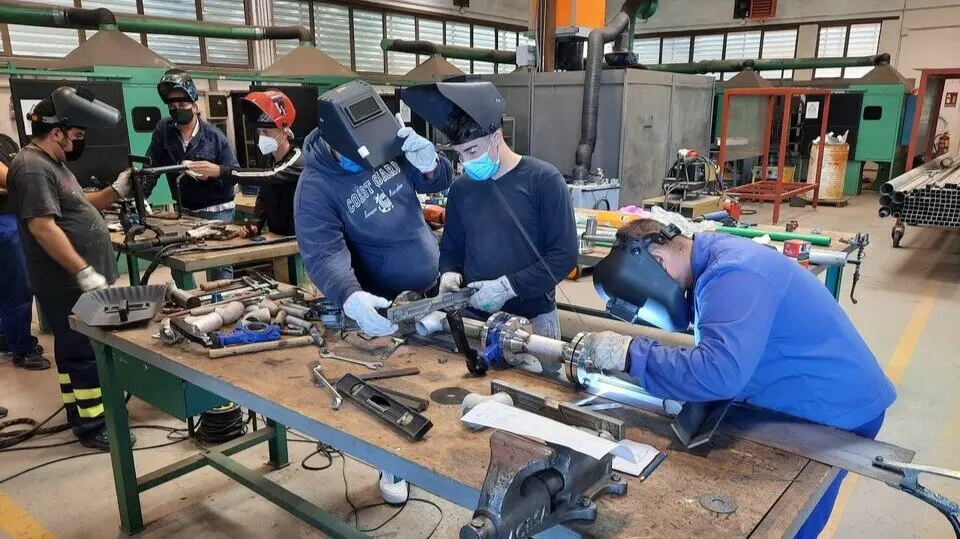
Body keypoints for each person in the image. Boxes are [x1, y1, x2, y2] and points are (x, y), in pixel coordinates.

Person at [579, 218, 896, 538]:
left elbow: (719, 372)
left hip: (834, 409)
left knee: (788, 517)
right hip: (804, 393)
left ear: (658, 261)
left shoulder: (733, 275)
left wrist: (633, 354)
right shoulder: (712, 259)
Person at [294, 82, 453, 502]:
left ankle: (438, 453)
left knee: (445, 381)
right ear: (333, 144)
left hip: (433, 283)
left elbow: (439, 179)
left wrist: (433, 163)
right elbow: (323, 251)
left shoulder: (383, 143)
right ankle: (392, 466)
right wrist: (350, 295)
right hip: (385, 306)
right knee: (391, 393)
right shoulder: (315, 188)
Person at [6, 86, 135, 450]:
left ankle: (78, 412)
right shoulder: (32, 167)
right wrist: (83, 271)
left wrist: (117, 189)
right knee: (83, 352)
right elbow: (42, 226)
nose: (79, 142)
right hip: (66, 283)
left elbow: (83, 203)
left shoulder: (53, 164)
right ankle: (93, 427)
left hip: (76, 281)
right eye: (76, 135)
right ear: (57, 132)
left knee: (71, 349)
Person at [402, 82, 578, 339]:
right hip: (476, 320)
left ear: (497, 138)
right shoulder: (462, 189)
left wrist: (509, 287)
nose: (467, 162)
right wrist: (449, 274)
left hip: (534, 320)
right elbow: (452, 248)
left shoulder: (544, 180)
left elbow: (564, 256)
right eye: (461, 154)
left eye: (472, 150)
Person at [145, 68, 239, 279]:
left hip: (217, 210)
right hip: (185, 210)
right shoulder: (164, 130)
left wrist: (212, 173)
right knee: (178, 260)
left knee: (219, 264)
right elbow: (151, 167)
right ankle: (187, 302)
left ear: (195, 106)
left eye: (183, 104)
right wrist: (140, 198)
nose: (177, 109)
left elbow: (234, 175)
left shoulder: (215, 137)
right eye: (172, 105)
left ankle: (223, 307)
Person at [209, 89, 302, 236]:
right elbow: (264, 198)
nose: (261, 137)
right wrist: (256, 224)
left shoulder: (298, 159)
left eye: (266, 132)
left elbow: (270, 175)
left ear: (284, 131)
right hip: (278, 239)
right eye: (259, 132)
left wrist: (221, 171)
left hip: (302, 243)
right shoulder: (269, 161)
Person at [1, 159, 50, 370]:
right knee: (18, 287)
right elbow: (16, 180)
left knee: (9, 284)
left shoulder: (6, 142)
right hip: (5, 222)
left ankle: (7, 336)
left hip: (17, 214)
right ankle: (22, 349)